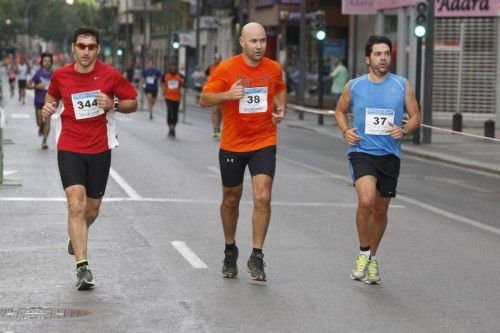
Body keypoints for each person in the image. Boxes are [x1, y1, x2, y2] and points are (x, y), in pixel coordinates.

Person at [42, 26, 138, 290]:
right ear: (73, 47)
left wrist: (114, 104)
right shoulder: (61, 75)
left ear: (98, 48)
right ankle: (82, 267)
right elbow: (52, 97)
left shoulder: (110, 75)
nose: (86, 51)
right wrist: (48, 106)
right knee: (75, 204)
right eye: (81, 46)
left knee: (91, 210)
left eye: (91, 46)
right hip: (70, 146)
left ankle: (77, 235)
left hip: (99, 149)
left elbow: (133, 102)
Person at [200, 22, 286, 282]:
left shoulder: (273, 69)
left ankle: (257, 255)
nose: (259, 46)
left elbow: (279, 90)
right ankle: (230, 249)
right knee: (231, 198)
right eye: (254, 41)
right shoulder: (226, 68)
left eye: (262, 41)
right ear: (242, 42)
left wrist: (280, 110)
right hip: (233, 144)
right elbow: (204, 99)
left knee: (263, 196)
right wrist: (227, 95)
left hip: (263, 140)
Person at [334, 35, 421, 285]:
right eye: (378, 54)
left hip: (390, 155)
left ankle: (372, 258)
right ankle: (362, 254)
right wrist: (345, 130)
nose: (383, 58)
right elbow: (340, 110)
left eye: (386, 54)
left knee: (381, 211)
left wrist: (404, 130)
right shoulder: (355, 85)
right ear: (367, 59)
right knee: (366, 200)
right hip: (362, 151)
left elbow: (415, 116)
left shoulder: (402, 85)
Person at [27, 53, 54, 149]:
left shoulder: (54, 74)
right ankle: (41, 128)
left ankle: (44, 141)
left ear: (51, 63)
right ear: (42, 62)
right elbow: (27, 85)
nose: (47, 63)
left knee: (47, 122)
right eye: (45, 61)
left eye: (49, 61)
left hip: (49, 102)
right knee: (39, 122)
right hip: (38, 101)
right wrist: (36, 86)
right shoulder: (37, 73)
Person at [162, 63, 184, 138]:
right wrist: (163, 92)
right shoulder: (166, 75)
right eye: (172, 67)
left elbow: (183, 84)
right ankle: (170, 128)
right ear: (170, 68)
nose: (173, 68)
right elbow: (163, 83)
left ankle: (173, 128)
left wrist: (182, 83)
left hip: (177, 98)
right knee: (170, 111)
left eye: (175, 67)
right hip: (168, 97)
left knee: (175, 113)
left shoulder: (179, 76)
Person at [205, 53, 223, 137]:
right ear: (214, 59)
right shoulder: (210, 68)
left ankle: (218, 127)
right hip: (213, 91)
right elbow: (205, 76)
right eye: (216, 58)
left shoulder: (224, 67)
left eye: (219, 58)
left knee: (220, 112)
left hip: (222, 91)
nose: (217, 60)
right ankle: (215, 129)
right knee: (215, 110)